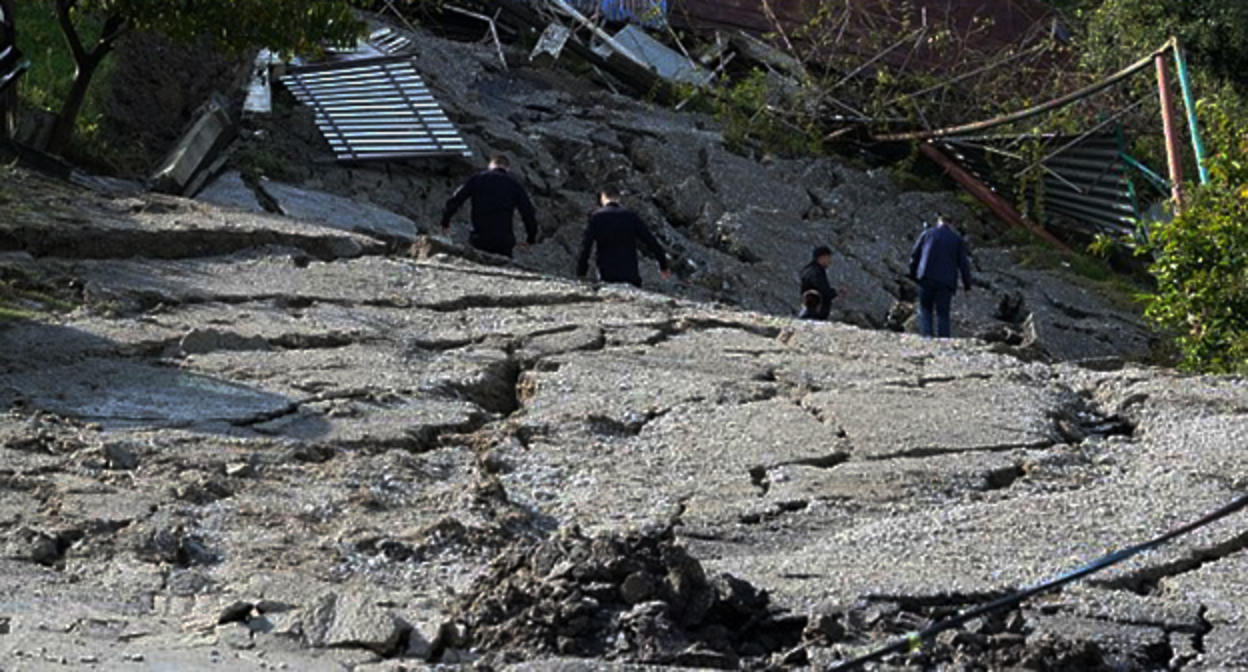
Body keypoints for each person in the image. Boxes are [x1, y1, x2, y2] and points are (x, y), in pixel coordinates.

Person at [440, 154, 538, 258]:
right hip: (503, 242)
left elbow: (456, 199)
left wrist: (445, 221)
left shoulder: (477, 179)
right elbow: (528, 213)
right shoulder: (515, 186)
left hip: (480, 239)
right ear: (508, 169)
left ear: (490, 166)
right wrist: (531, 239)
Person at [576, 186, 669, 287]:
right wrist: (663, 264)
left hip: (607, 275)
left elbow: (586, 246)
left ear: (603, 197)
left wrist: (581, 272)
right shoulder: (630, 216)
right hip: (630, 275)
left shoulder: (596, 217)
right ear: (618, 198)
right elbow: (650, 241)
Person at [908, 214, 973, 338]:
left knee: (925, 308)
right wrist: (967, 284)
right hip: (946, 281)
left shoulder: (927, 234)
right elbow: (963, 264)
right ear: (951, 224)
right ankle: (943, 339)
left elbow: (915, 255)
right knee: (942, 312)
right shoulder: (957, 240)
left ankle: (927, 336)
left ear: (939, 222)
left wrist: (913, 273)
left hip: (926, 276)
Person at [799, 245, 837, 320]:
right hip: (814, 313)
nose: (830, 261)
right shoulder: (815, 273)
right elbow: (822, 290)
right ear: (821, 258)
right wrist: (834, 293)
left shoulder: (814, 270)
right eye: (828, 258)